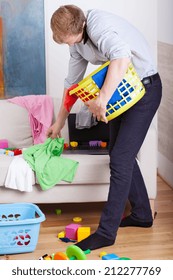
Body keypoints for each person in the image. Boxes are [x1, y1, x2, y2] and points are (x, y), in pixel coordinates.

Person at [46, 4, 162, 251]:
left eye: (68, 40)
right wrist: (58, 122)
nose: (68, 45)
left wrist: (102, 100)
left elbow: (121, 56)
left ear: (79, 27)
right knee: (118, 154)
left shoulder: (99, 25)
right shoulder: (77, 45)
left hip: (145, 89)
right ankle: (142, 214)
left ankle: (106, 233)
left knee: (120, 158)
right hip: (123, 91)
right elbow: (71, 85)